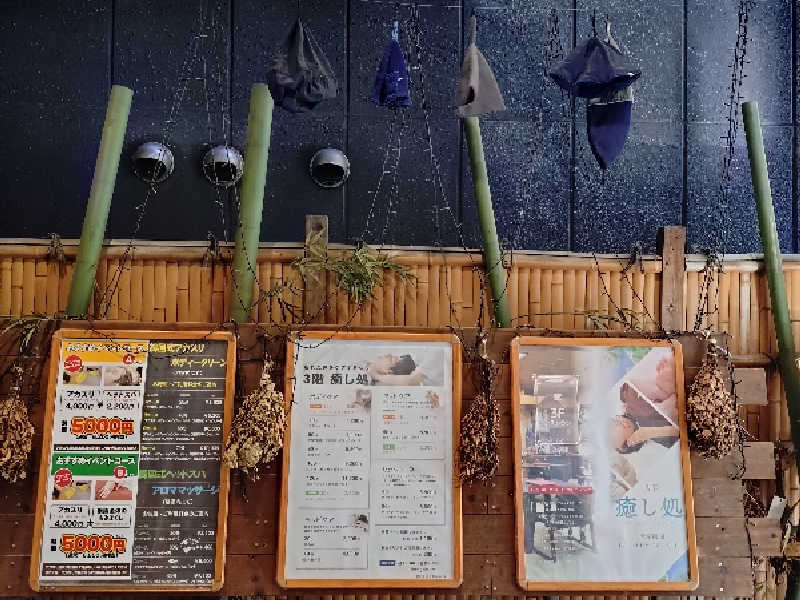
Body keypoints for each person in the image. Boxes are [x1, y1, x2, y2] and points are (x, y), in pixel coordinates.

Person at [366, 351, 444, 386]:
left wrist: (376, 376)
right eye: (381, 357)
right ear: (389, 373)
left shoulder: (420, 356)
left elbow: (412, 379)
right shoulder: (428, 358)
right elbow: (411, 380)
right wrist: (376, 376)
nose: (388, 354)